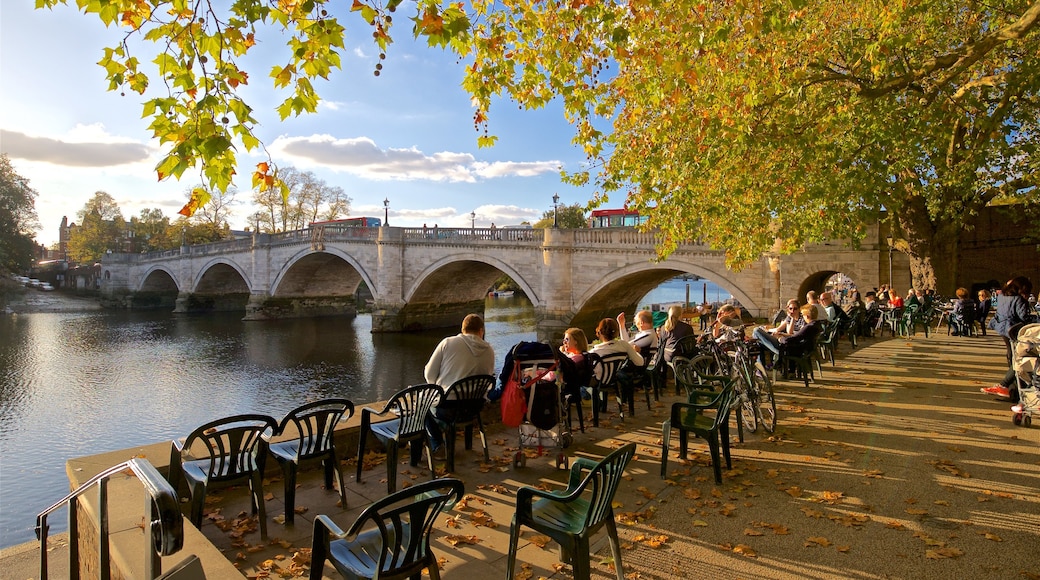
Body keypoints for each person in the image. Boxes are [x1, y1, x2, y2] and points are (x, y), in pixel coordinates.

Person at [423, 314, 496, 458]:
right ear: (481, 331)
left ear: (463, 329)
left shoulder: (448, 343)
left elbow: (429, 375)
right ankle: (459, 445)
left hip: (449, 409)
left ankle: (437, 444)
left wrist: (440, 385)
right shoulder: (490, 350)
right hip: (474, 408)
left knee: (423, 406)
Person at [755, 304, 823, 370]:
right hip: (799, 349)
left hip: (787, 349)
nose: (802, 317)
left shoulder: (808, 327)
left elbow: (791, 339)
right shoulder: (815, 325)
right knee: (759, 342)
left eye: (803, 315)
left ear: (807, 316)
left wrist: (779, 338)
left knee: (757, 331)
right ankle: (761, 370)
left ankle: (761, 370)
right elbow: (796, 336)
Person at [556, 327, 592, 401]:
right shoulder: (581, 356)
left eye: (567, 340)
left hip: (565, 387)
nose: (564, 343)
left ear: (576, 341)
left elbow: (557, 373)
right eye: (564, 340)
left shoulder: (575, 359)